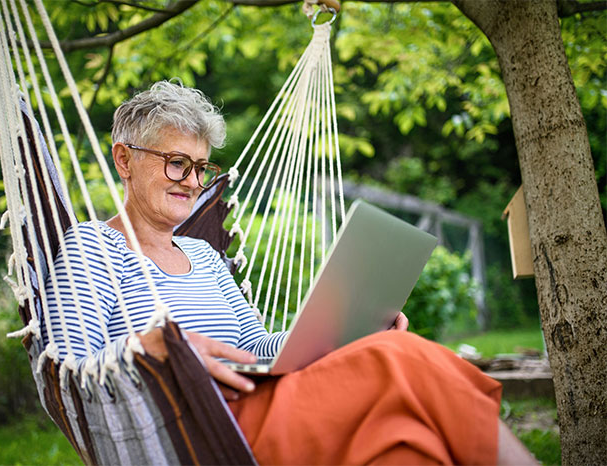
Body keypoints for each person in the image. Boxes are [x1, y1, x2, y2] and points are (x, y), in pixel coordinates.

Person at [44, 80, 536, 465]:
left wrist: (341, 328)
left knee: (404, 443)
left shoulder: (206, 256)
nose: (193, 181)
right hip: (200, 432)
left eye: (201, 168)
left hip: (263, 399)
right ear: (124, 159)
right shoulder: (93, 247)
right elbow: (67, 376)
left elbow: (256, 348)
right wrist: (156, 349)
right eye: (177, 163)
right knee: (399, 356)